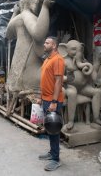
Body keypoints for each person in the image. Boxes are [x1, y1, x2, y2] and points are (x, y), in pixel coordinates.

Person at [6, 0, 58, 114]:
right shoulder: (27, 16)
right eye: (39, 3)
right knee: (55, 77)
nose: (39, 6)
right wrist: (46, 7)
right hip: (30, 74)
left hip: (18, 70)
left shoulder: (19, 17)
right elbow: (39, 34)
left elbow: (8, 33)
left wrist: (14, 13)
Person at [38, 36, 65, 171]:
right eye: (45, 42)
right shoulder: (48, 59)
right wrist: (40, 96)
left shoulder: (58, 60)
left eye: (47, 43)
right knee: (49, 127)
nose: (44, 44)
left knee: (54, 129)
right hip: (46, 98)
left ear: (54, 46)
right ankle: (52, 152)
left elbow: (58, 82)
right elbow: (44, 79)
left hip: (53, 100)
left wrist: (54, 101)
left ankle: (56, 159)